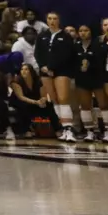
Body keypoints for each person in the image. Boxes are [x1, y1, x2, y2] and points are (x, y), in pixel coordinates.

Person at [39, 12, 81, 142]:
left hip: (62, 70)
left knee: (63, 99)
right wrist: (43, 66)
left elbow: (66, 54)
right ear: (46, 20)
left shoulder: (65, 36)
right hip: (45, 71)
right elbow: (38, 53)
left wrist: (52, 67)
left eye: (55, 18)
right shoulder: (42, 36)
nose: (52, 21)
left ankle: (69, 129)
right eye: (50, 18)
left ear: (59, 20)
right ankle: (62, 127)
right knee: (55, 100)